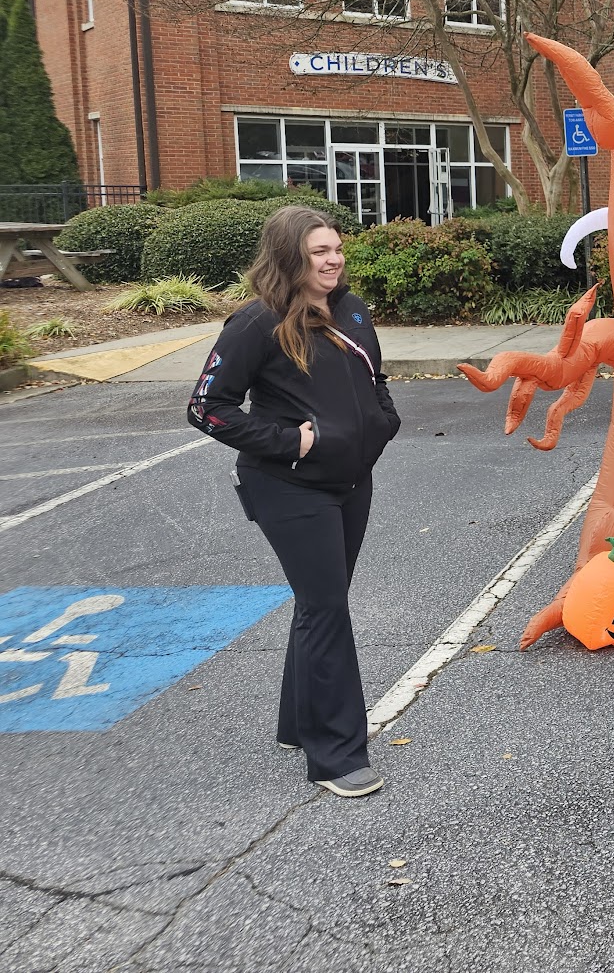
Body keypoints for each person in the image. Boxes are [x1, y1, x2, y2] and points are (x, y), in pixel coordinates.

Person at [187, 205, 399, 797]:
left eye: (336, 249)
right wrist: (287, 441)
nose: (333, 261)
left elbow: (374, 378)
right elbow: (206, 407)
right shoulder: (258, 323)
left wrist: (384, 422)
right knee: (327, 607)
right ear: (289, 258)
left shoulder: (350, 308)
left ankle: (297, 725)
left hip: (352, 482)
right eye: (318, 253)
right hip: (286, 485)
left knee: (320, 604)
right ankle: (336, 756)